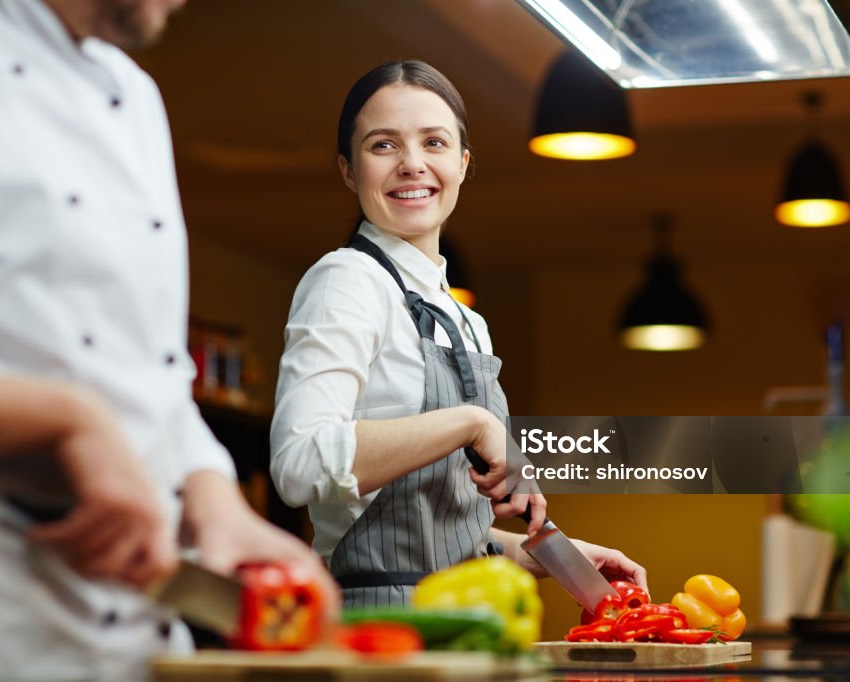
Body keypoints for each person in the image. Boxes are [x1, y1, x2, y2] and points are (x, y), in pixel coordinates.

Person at [0, 0, 337, 679]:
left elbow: (145, 375)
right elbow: (88, 398)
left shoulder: (133, 96)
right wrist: (62, 418)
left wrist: (213, 500)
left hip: (137, 640)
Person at [270, 60, 647, 608]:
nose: (412, 164)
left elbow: (435, 528)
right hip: (383, 631)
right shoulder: (346, 280)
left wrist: (545, 553)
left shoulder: (468, 323)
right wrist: (471, 422)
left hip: (472, 619)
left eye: (434, 143)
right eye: (383, 145)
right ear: (349, 171)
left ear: (464, 163)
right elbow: (298, 464)